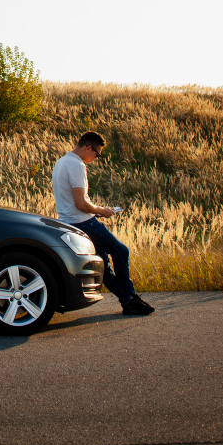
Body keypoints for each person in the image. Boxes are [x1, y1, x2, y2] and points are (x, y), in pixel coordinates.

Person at [51, 132, 154, 316]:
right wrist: (102, 211)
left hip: (68, 222)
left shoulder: (61, 162)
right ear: (88, 147)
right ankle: (130, 297)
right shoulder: (76, 164)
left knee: (103, 264)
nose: (96, 158)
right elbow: (81, 203)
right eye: (97, 154)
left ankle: (129, 301)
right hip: (84, 222)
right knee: (121, 251)